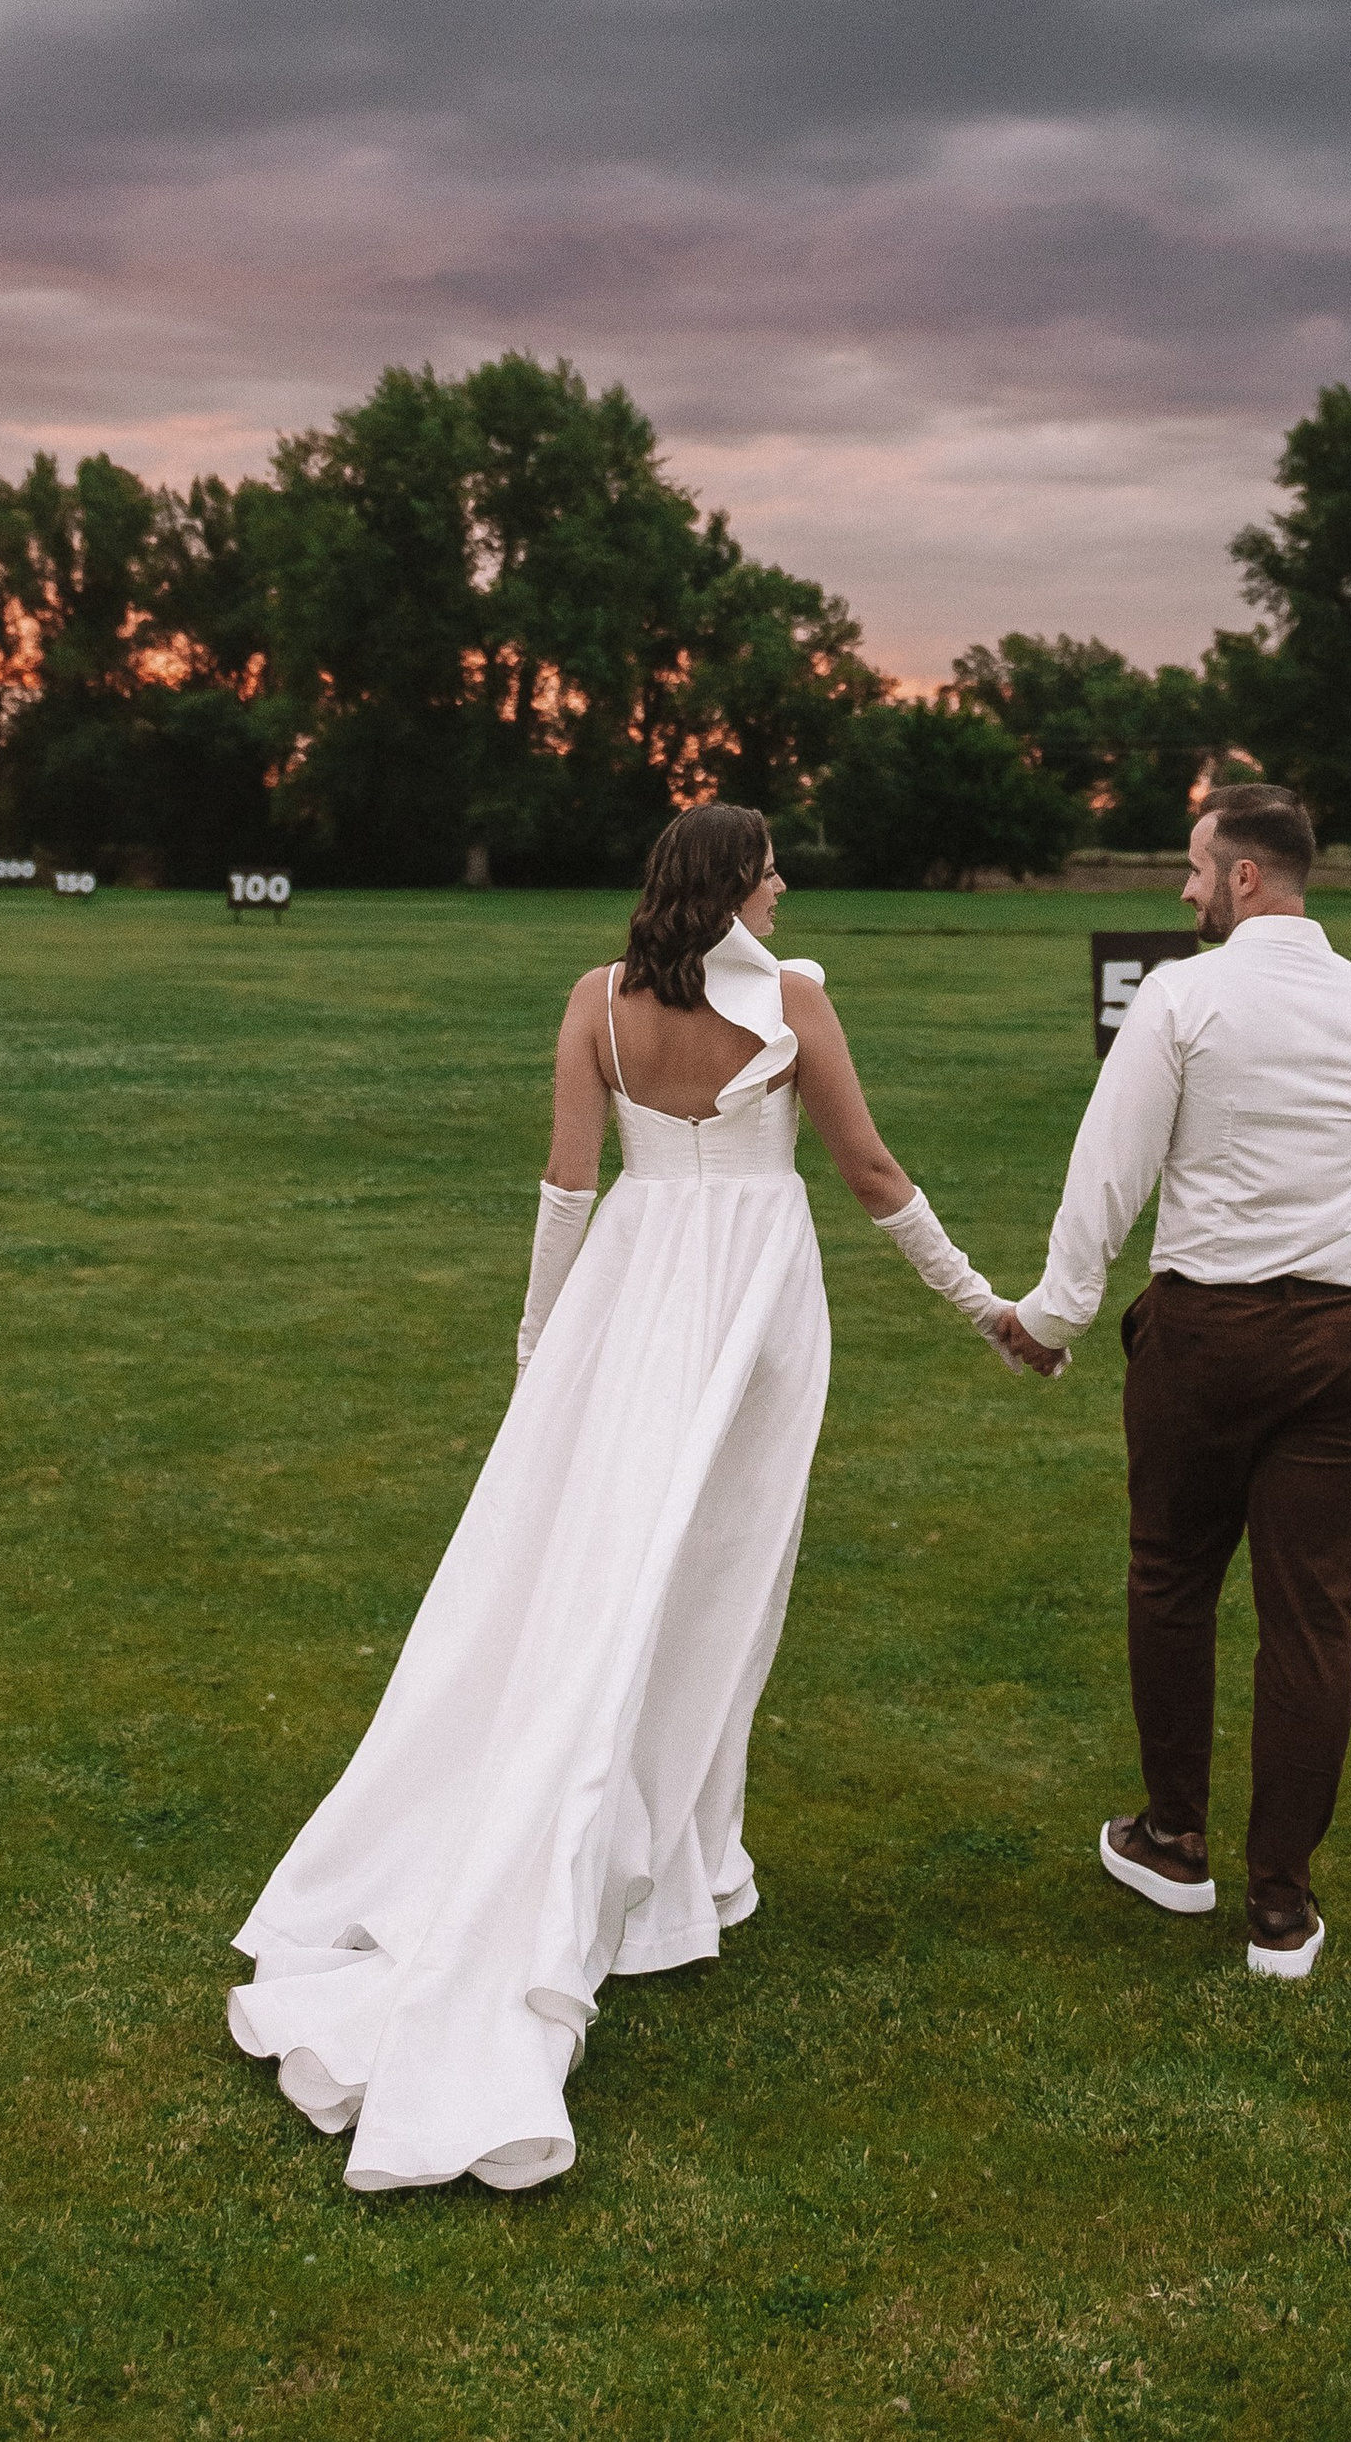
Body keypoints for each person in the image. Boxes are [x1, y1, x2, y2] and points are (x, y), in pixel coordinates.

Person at [228, 805, 1006, 2191]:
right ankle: (660, 1870)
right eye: (768, 864)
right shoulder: (799, 998)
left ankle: (682, 1858)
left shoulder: (596, 999)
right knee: (715, 1589)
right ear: (727, 883)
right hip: (755, 1298)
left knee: (633, 1577)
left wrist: (543, 1349)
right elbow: (873, 1173)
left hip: (630, 1299)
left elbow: (566, 1192)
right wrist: (984, 1306)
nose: (784, 881)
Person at [992, 781, 1351, 1982]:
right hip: (1345, 1339)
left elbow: (1107, 1172)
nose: (1180, 890)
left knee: (1172, 1576)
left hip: (1207, 1334)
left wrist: (1051, 1317)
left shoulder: (1179, 994)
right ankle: (1280, 1909)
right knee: (1312, 1613)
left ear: (1244, 876)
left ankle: (1173, 1838)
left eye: (1192, 868)